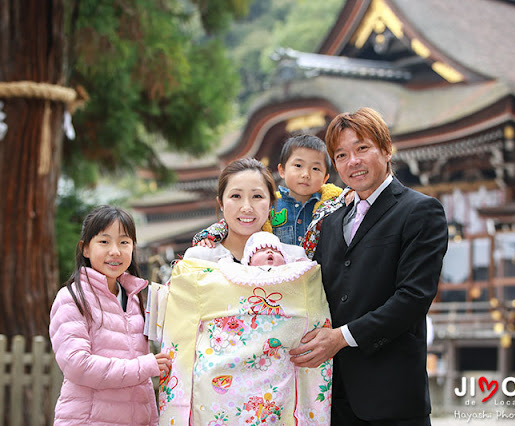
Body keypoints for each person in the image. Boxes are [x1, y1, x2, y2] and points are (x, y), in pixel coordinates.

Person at [290, 107, 449, 425]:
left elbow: (412, 299)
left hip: (393, 397)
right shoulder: (332, 222)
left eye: (362, 148)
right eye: (342, 155)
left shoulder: (420, 211)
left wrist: (340, 338)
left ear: (387, 149)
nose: (353, 162)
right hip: (334, 397)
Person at [157, 158, 333, 425]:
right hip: (213, 399)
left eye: (257, 196)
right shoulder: (201, 257)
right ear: (220, 202)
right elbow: (178, 335)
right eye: (236, 196)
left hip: (278, 397)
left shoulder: (295, 260)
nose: (246, 207)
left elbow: (315, 327)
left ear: (271, 204)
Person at [49, 205, 171, 425]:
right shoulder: (72, 297)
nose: (115, 251)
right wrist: (145, 366)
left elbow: (142, 385)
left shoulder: (134, 297)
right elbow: (78, 365)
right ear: (85, 248)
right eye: (104, 242)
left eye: (124, 242)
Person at [192, 134, 347, 248]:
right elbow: (230, 222)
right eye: (298, 166)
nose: (305, 174)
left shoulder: (332, 204)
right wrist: (208, 236)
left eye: (315, 168)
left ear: (325, 177)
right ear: (282, 170)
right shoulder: (271, 205)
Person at [242, 231, 308, 266]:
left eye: (276, 251)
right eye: (262, 250)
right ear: (249, 261)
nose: (270, 251)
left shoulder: (290, 273)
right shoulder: (242, 277)